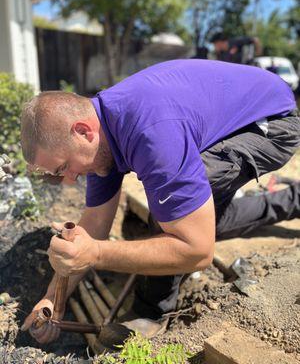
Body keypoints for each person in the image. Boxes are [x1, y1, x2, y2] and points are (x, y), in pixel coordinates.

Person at [20, 59, 300, 348]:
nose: (69, 179)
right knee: (199, 216)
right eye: (58, 173)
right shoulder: (101, 136)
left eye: (63, 166)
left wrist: (96, 254)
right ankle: (295, 200)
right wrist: (53, 299)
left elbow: (198, 252)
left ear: (83, 131)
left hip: (271, 121)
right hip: (229, 115)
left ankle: (150, 311)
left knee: (176, 209)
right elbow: (95, 224)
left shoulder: (150, 132)